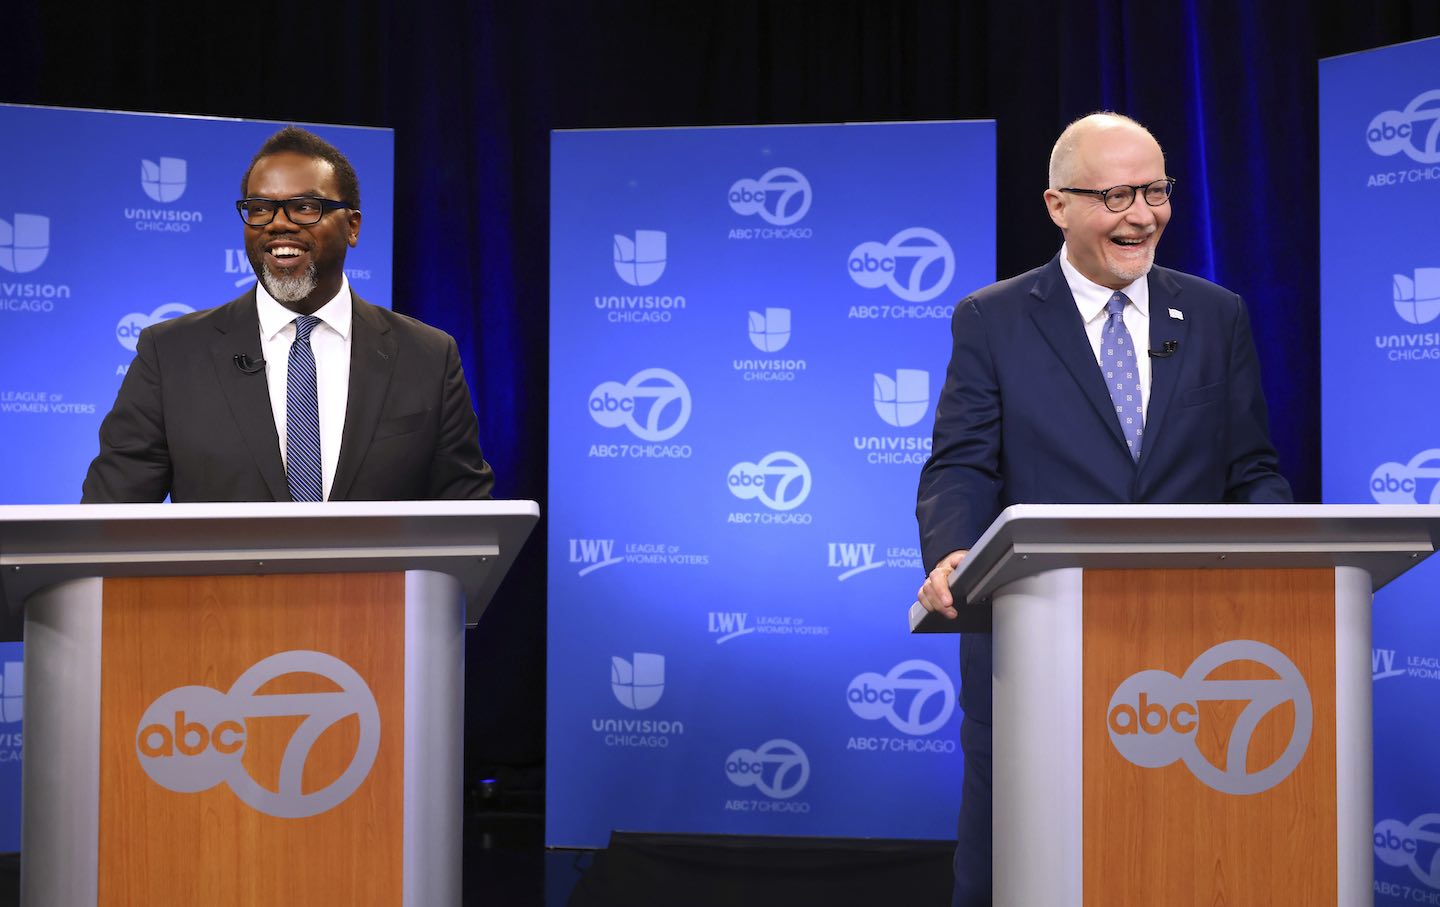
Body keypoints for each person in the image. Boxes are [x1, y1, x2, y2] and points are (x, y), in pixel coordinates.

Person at [914, 112, 1292, 906]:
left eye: (1156, 190)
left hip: (1190, 650)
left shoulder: (1216, 314)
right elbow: (962, 464)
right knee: (1008, 866)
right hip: (1035, 642)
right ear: (1058, 206)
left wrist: (1282, 550)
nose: (1143, 214)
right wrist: (952, 551)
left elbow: (1249, 468)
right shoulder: (993, 318)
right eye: (1117, 194)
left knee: (1173, 861)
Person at [83, 126, 494, 503]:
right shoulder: (170, 354)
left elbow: (469, 522)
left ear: (352, 227)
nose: (278, 225)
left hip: (374, 587)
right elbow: (108, 521)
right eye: (260, 209)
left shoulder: (428, 357)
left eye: (304, 207)